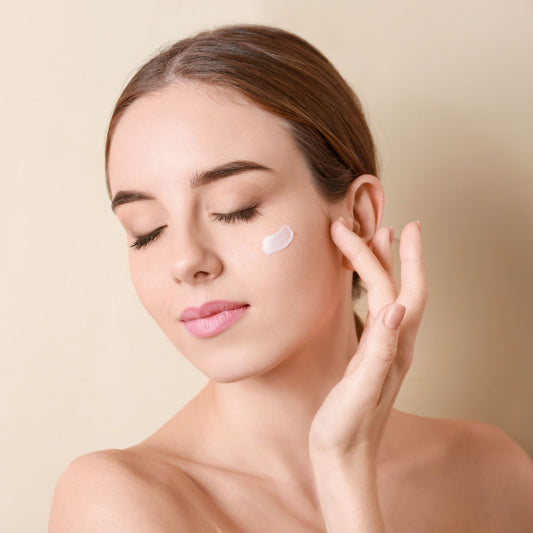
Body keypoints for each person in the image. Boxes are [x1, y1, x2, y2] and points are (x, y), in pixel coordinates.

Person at [49, 23, 533, 532]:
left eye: (235, 208)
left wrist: (344, 466)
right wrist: (341, 472)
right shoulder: (115, 505)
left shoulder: (492, 473)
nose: (185, 261)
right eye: (146, 231)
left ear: (358, 219)